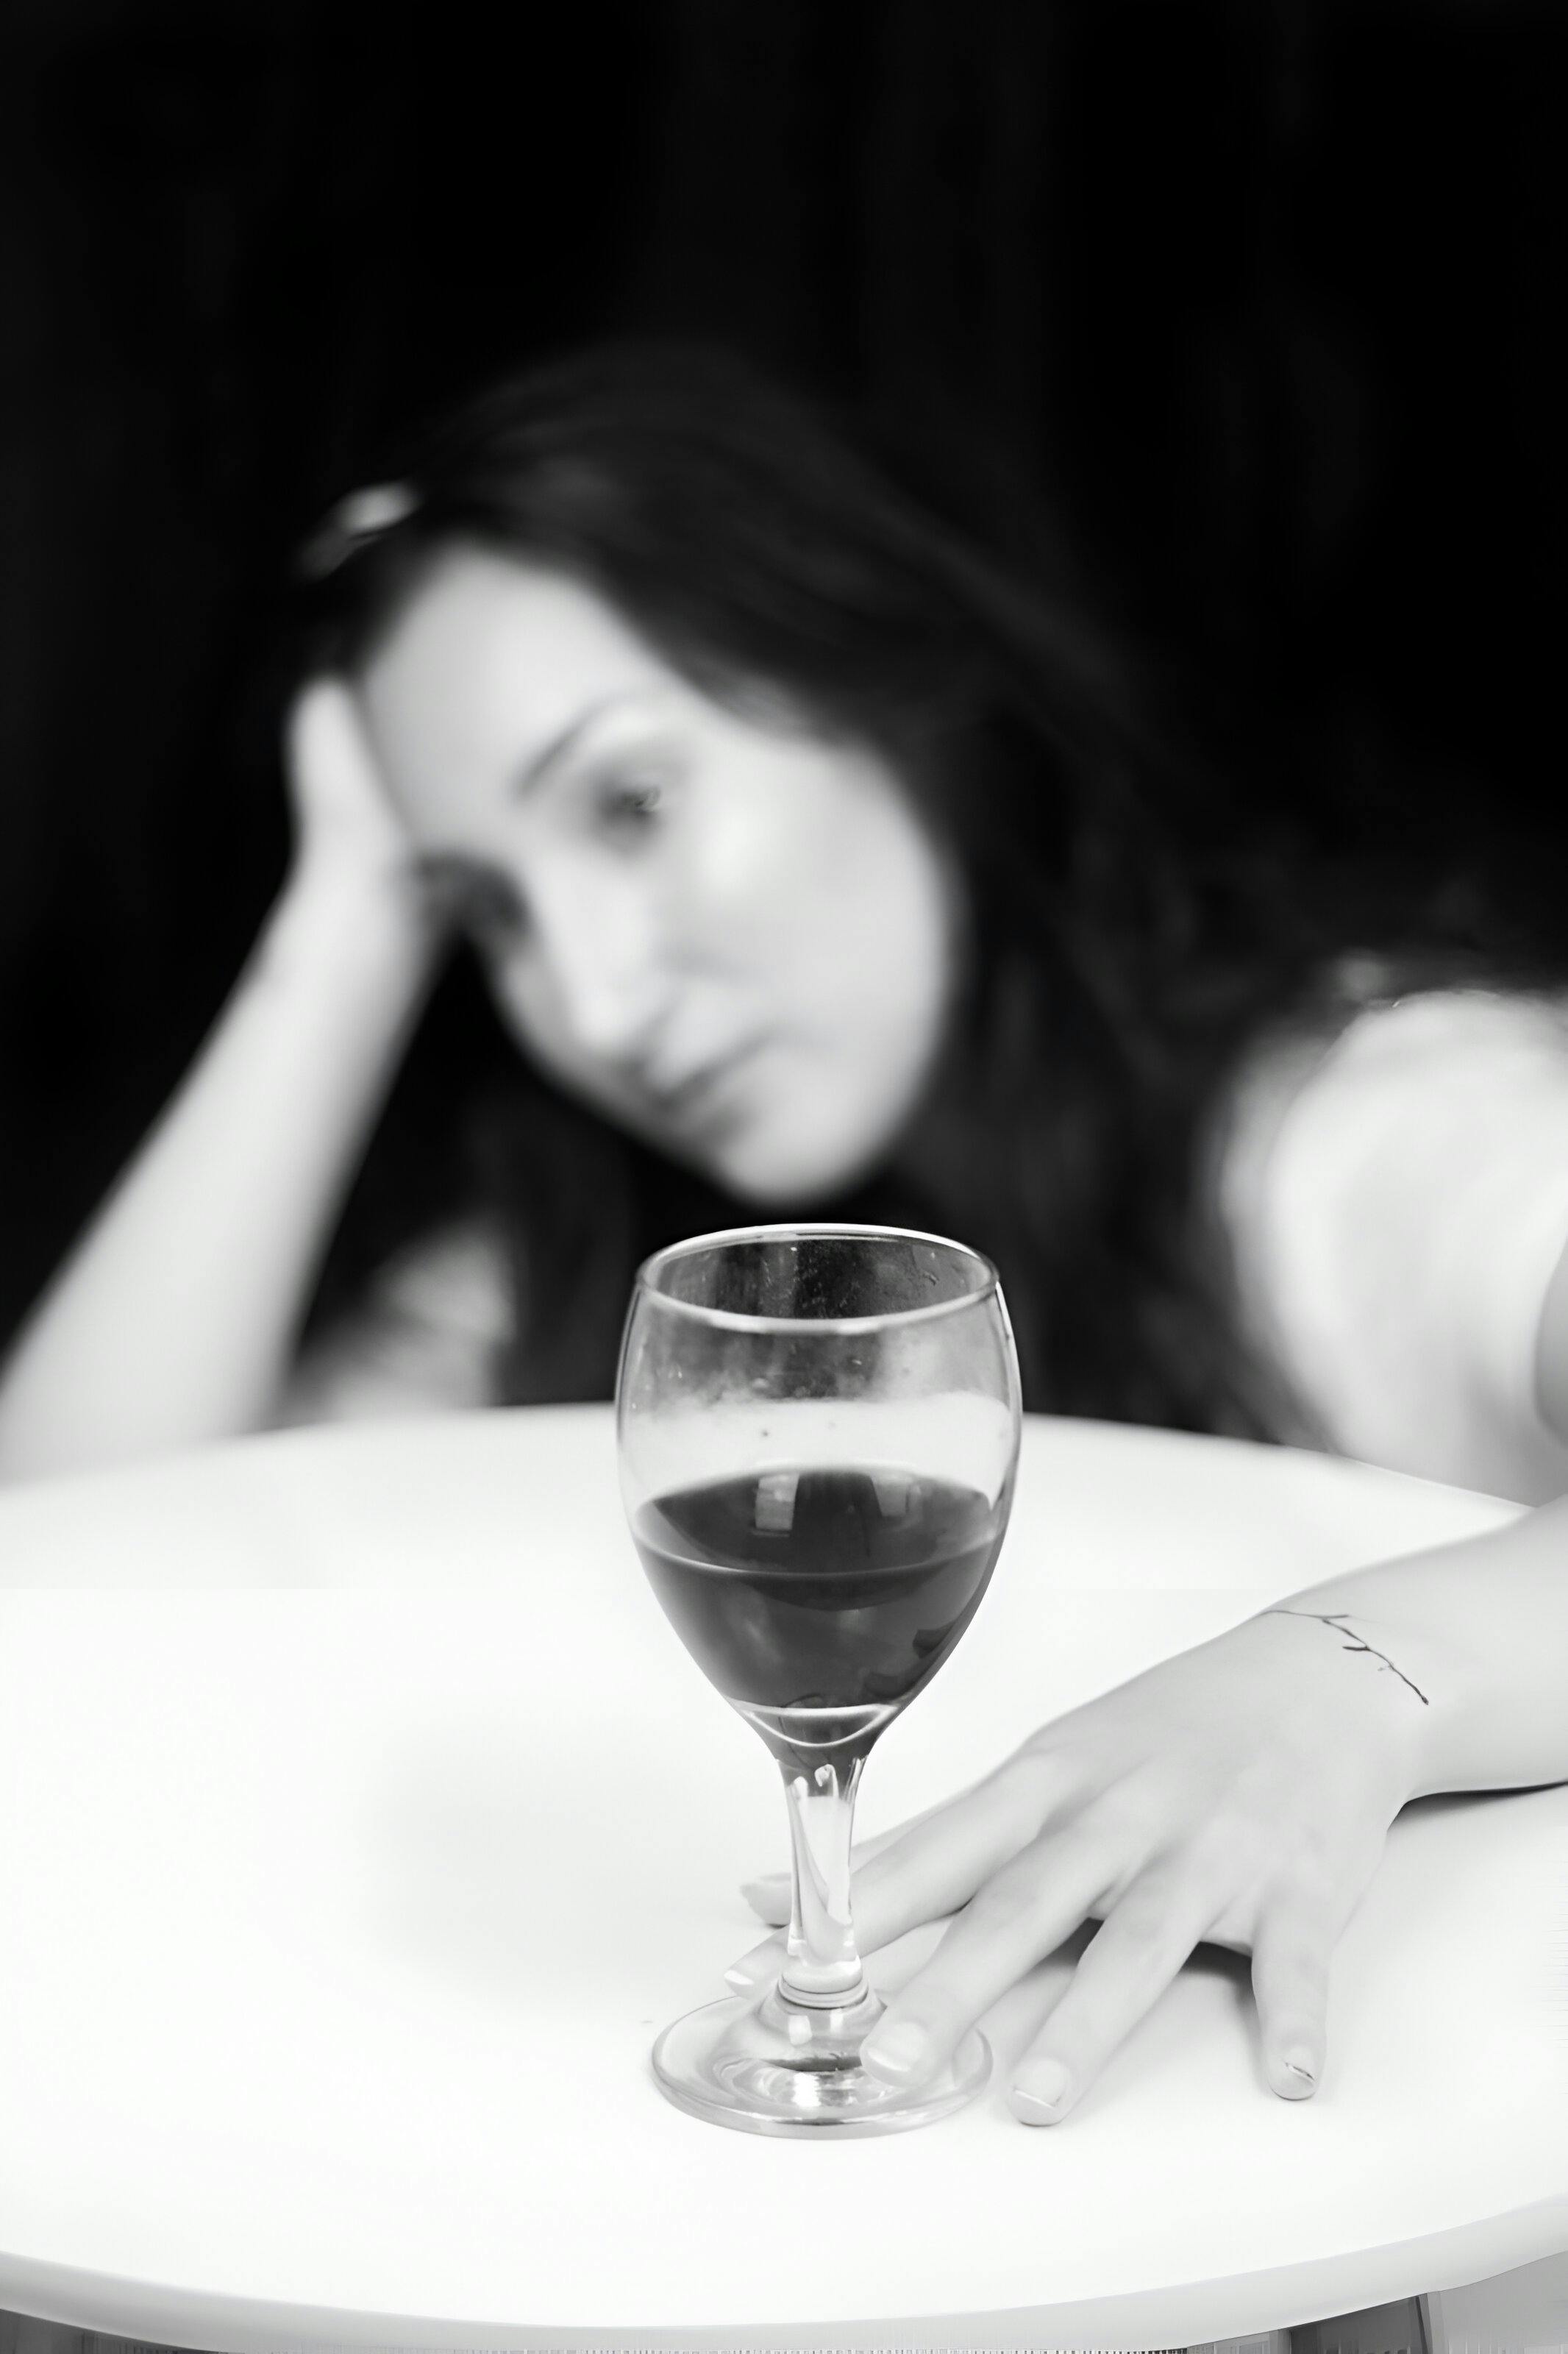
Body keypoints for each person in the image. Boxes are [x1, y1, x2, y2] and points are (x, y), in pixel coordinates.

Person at [1, 342, 1565, 2125]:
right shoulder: (636, 1297)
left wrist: (1341, 1681)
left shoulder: (1355, 1127)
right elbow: (55, 1567)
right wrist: (345, 928)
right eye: (487, 913)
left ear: (882, 672)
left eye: (631, 803)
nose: (592, 997)